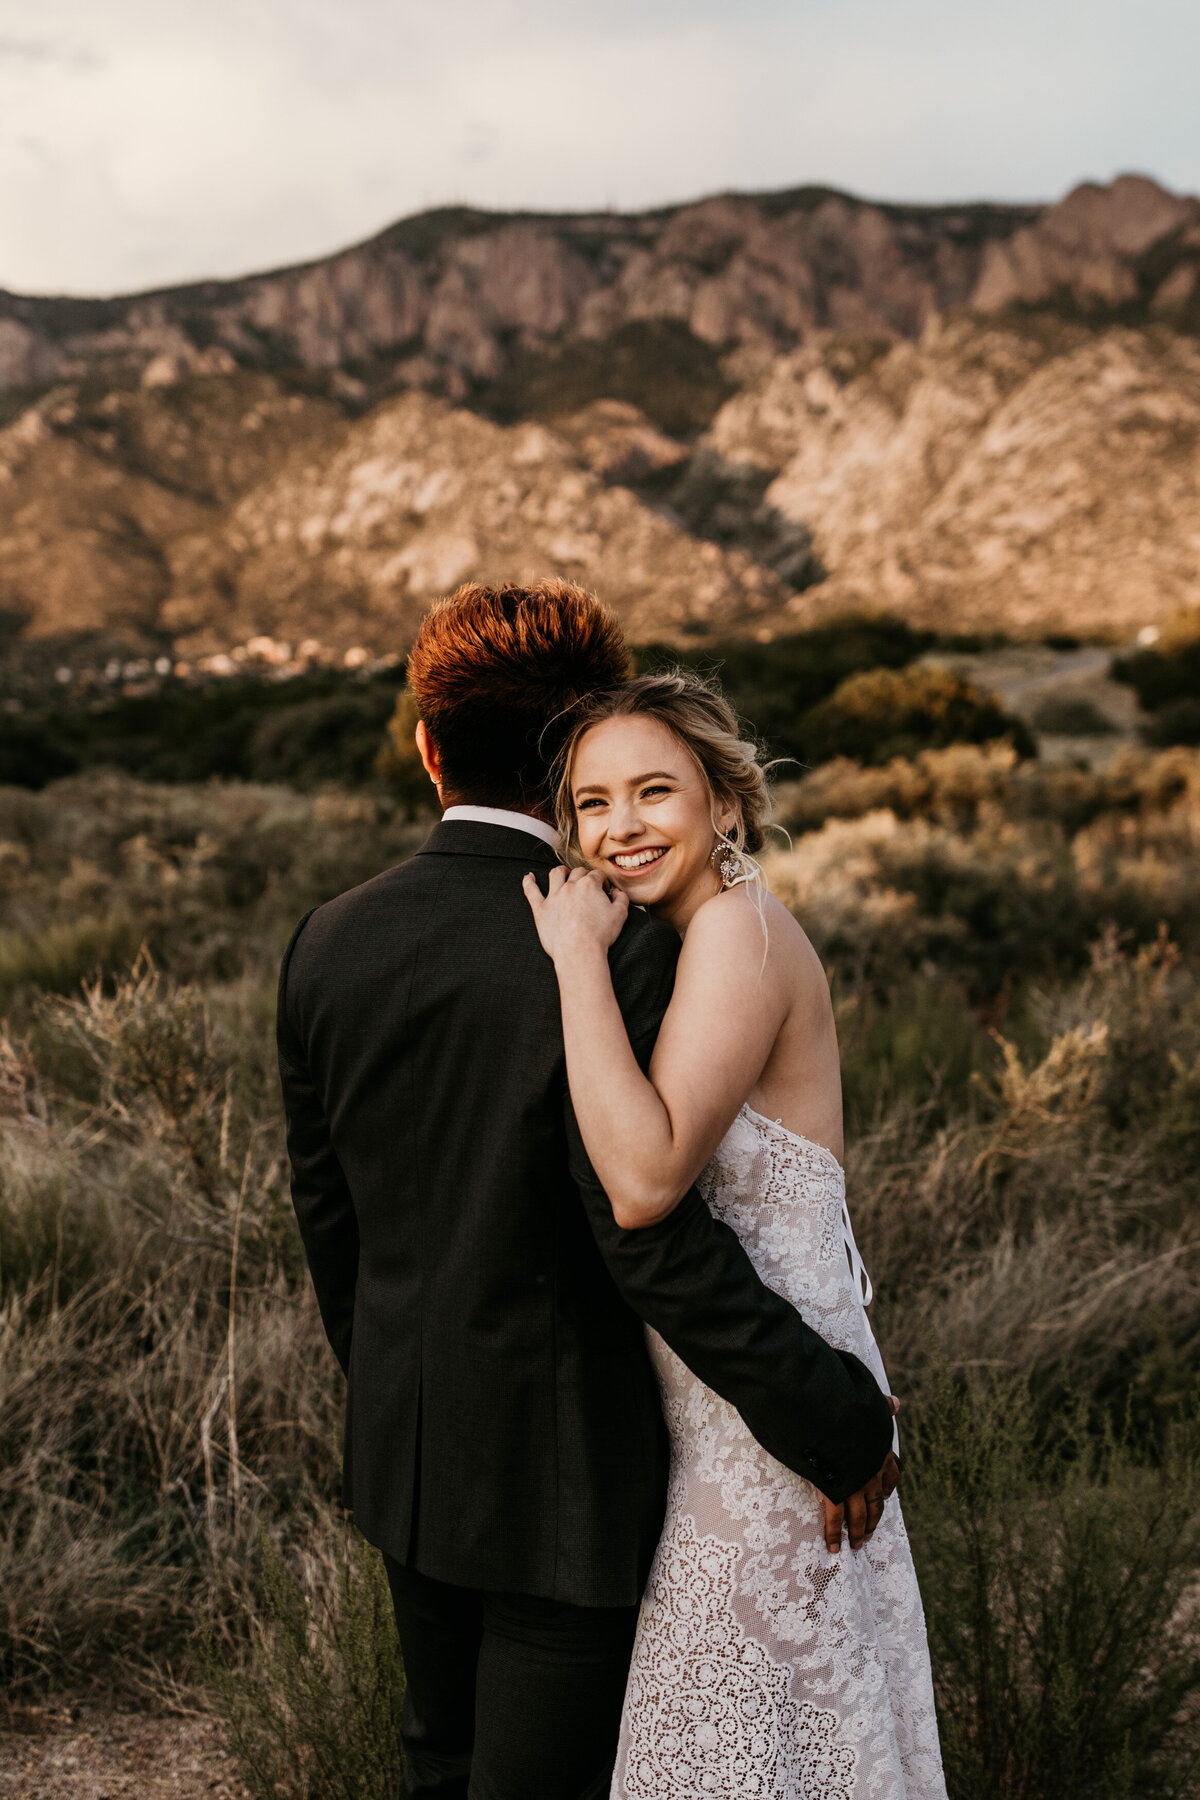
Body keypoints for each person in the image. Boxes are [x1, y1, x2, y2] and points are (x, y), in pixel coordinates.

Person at [277, 580, 896, 1800]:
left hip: (408, 1457)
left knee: (439, 1769)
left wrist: (403, 1396)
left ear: (425, 746)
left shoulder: (327, 940)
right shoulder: (618, 944)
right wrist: (828, 1415)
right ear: (573, 749)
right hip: (571, 1481)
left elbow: (330, 1222)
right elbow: (649, 1235)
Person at [523, 670, 946, 1798]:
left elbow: (648, 1177)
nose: (620, 829)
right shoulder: (685, 937)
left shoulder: (736, 935)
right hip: (725, 1414)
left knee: (732, 1737)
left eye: (653, 791)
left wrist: (570, 959)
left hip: (773, 1421)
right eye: (593, 803)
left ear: (723, 798)